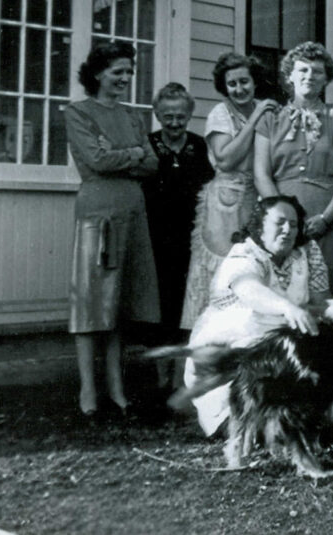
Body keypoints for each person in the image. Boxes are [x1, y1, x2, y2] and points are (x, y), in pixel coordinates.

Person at [65, 41, 160, 417]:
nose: (125, 78)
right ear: (97, 73)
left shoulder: (134, 116)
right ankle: (89, 392)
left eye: (128, 72)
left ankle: (118, 390)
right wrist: (131, 153)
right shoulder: (78, 112)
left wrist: (130, 154)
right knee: (92, 301)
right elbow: (96, 160)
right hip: (98, 214)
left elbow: (151, 164)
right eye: (118, 71)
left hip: (132, 213)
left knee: (118, 304)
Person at [184, 196, 327, 436]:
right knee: (255, 421)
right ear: (260, 226)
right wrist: (287, 307)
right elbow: (250, 289)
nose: (287, 230)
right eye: (279, 223)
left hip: (285, 353)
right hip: (233, 354)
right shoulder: (244, 253)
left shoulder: (307, 252)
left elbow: (321, 303)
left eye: (293, 224)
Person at [181, 53, 279, 329]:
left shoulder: (266, 108)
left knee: (253, 269)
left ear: (255, 81)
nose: (239, 89)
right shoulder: (220, 114)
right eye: (232, 84)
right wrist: (256, 117)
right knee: (224, 270)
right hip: (227, 201)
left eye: (244, 81)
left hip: (257, 195)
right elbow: (225, 159)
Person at [254, 41, 333, 293]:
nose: (309, 76)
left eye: (317, 71)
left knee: (329, 289)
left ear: (326, 79)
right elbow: (261, 172)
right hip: (281, 219)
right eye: (302, 70)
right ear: (290, 75)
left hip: (328, 216)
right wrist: (281, 217)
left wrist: (326, 218)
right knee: (284, 286)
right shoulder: (270, 118)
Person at [141, 83, 213, 390]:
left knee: (187, 305)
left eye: (180, 117)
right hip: (154, 238)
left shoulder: (200, 147)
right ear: (157, 114)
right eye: (167, 116)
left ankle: (183, 378)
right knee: (159, 309)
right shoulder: (147, 144)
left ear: (189, 115)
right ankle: (159, 380)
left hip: (190, 239)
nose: (173, 123)